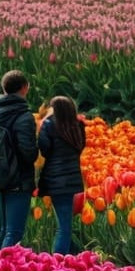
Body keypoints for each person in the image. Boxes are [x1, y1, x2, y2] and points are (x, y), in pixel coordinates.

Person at [0, 71, 38, 249]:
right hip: (18, 179)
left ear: (4, 88)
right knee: (14, 232)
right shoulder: (24, 116)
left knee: (3, 230)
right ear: (24, 88)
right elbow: (28, 153)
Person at [37, 96, 87, 255]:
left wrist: (43, 124)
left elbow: (44, 150)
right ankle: (70, 257)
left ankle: (57, 263)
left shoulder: (50, 125)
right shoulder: (78, 125)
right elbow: (80, 148)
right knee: (65, 223)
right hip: (72, 179)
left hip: (54, 179)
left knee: (63, 228)